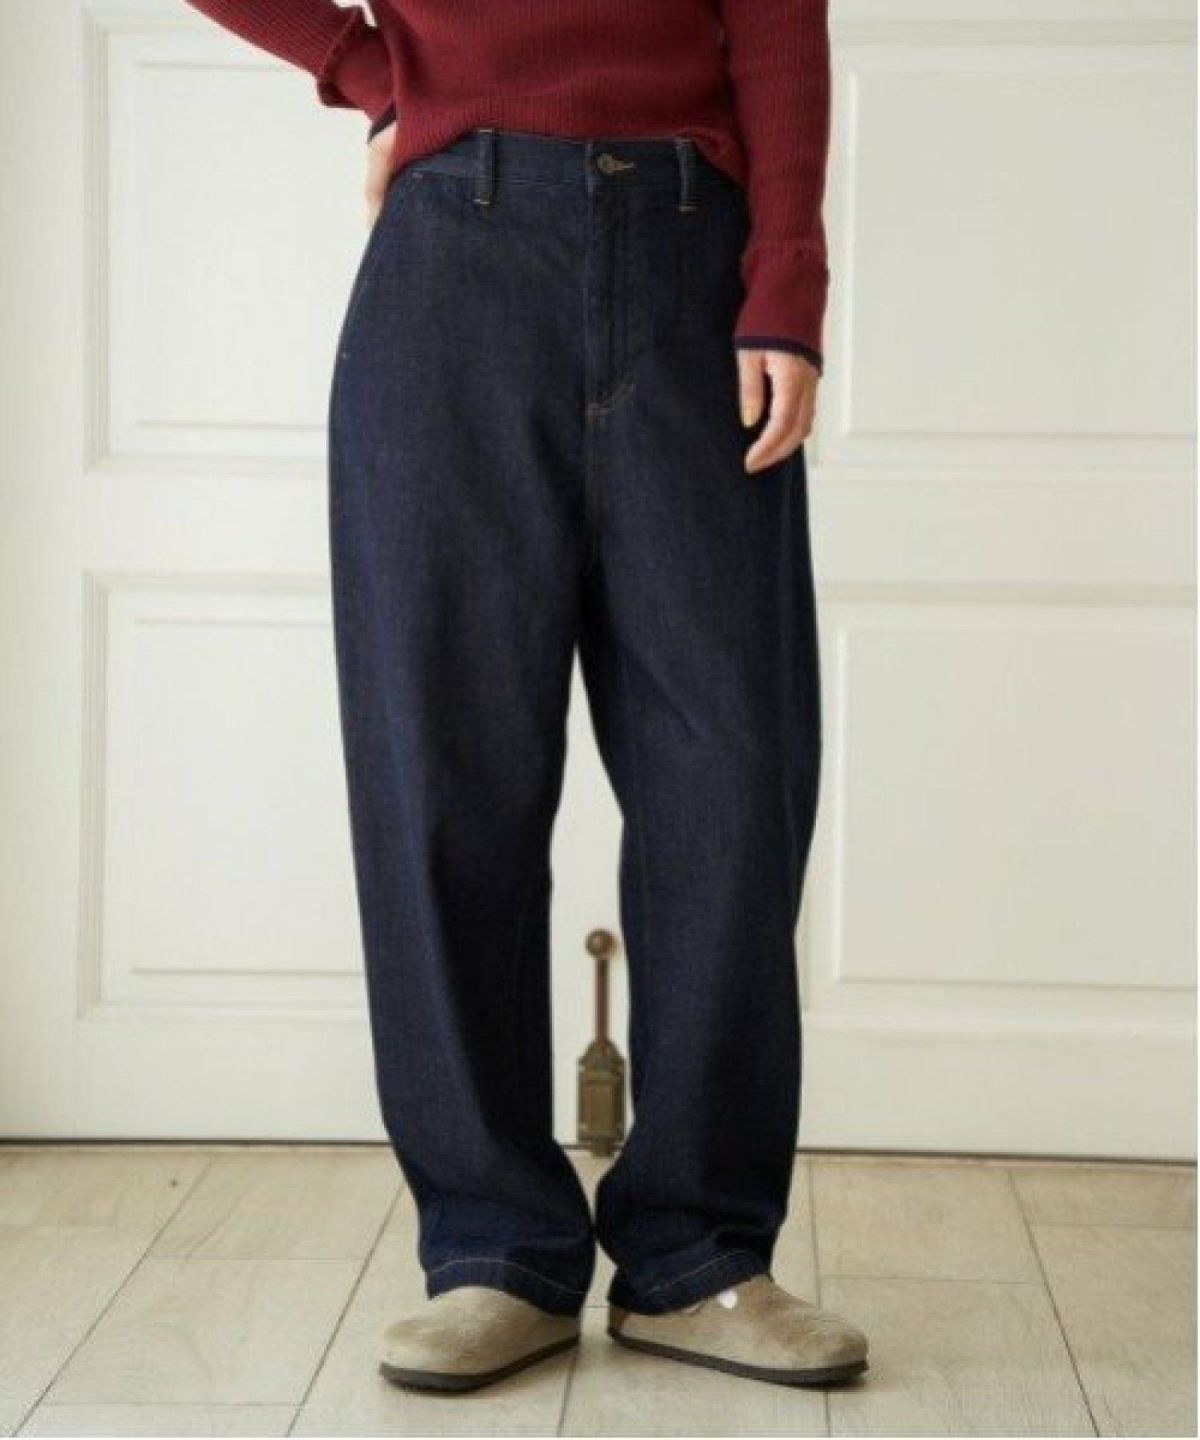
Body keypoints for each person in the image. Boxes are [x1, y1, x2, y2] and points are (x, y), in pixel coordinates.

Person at [184, 0, 869, 1394]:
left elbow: (777, 22)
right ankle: (495, 1249)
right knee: (446, 781)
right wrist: (363, 66)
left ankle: (696, 1252)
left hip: (695, 259)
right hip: (455, 263)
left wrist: (786, 279)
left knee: (733, 781)